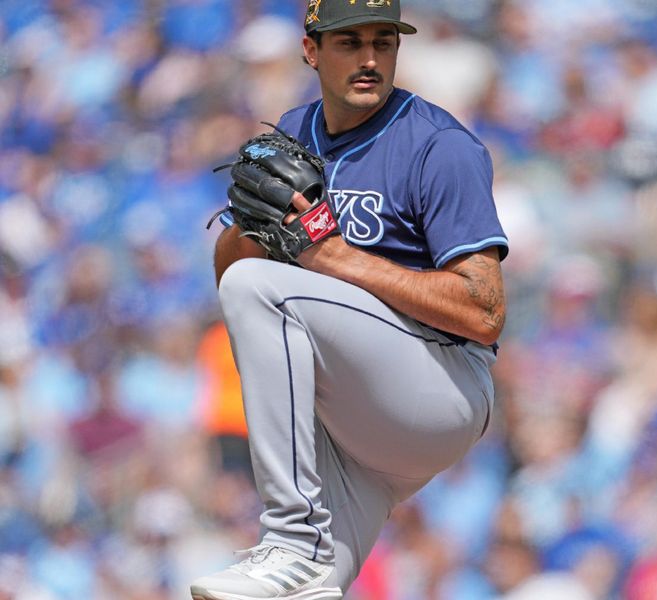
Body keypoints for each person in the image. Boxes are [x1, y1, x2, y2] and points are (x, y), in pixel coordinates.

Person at [190, 0, 509, 598]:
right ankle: (300, 558)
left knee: (262, 290)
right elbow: (231, 273)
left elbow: (485, 314)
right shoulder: (294, 130)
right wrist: (247, 230)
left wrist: (335, 257)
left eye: (382, 42)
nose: (368, 59)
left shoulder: (439, 145)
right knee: (289, 593)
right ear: (311, 50)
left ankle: (291, 533)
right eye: (348, 42)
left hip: (442, 383)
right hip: (352, 425)